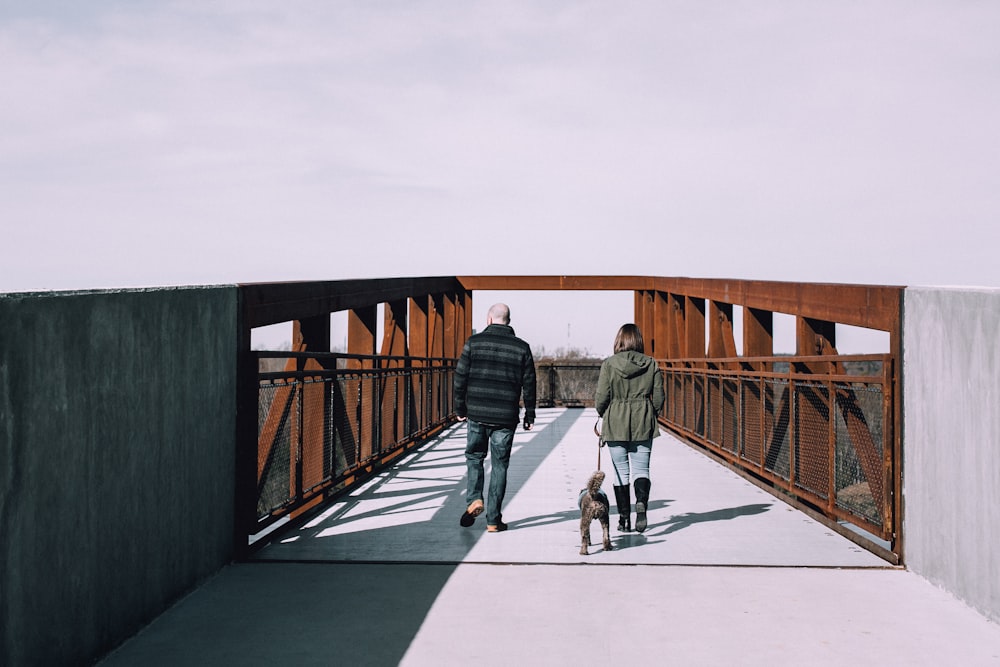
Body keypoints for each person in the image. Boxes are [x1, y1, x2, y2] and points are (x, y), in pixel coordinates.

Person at [453, 303, 536, 532]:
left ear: (489, 319)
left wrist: (460, 408)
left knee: (474, 457)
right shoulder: (522, 348)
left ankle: (474, 499)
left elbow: (460, 378)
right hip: (505, 417)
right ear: (508, 320)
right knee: (499, 466)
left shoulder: (474, 343)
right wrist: (530, 413)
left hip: (477, 413)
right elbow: (529, 384)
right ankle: (493, 520)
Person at [594, 323, 664, 533]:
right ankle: (641, 503)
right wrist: (652, 413)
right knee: (642, 469)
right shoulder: (651, 364)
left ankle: (624, 518)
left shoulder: (609, 364)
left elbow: (601, 397)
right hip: (643, 417)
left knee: (620, 472)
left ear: (619, 341)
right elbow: (659, 397)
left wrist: (602, 413)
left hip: (616, 419)